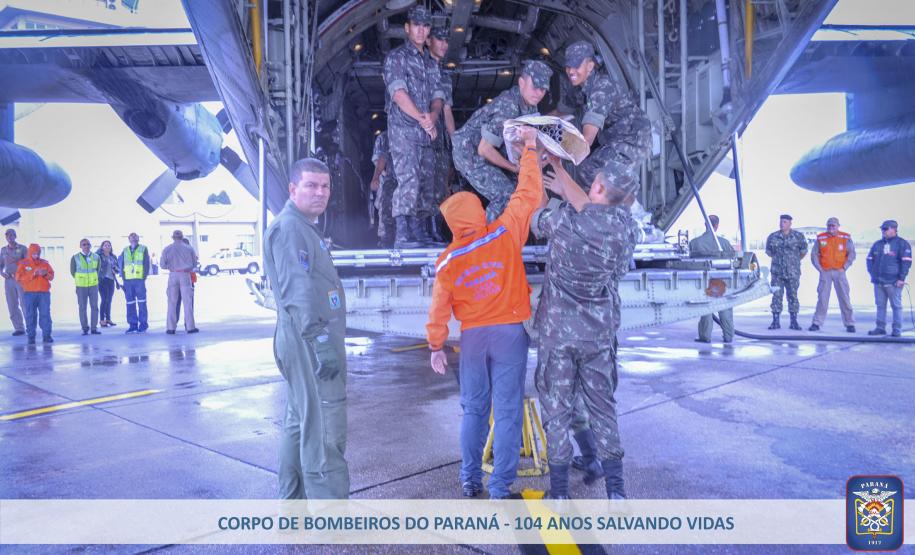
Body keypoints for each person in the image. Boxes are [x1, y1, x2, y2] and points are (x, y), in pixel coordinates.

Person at [426, 126, 543, 499]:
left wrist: (435, 346)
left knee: (473, 411)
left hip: (473, 338)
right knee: (506, 412)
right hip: (510, 335)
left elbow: (439, 308)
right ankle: (499, 486)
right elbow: (529, 194)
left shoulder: (447, 261)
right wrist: (528, 150)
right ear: (477, 212)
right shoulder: (504, 233)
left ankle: (469, 478)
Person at [531, 155, 640, 500]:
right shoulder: (626, 230)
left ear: (597, 187)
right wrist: (562, 174)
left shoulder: (564, 221)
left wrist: (538, 171)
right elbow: (597, 211)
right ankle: (617, 493)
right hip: (597, 335)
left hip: (558, 335)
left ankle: (560, 494)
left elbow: (536, 216)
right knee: (603, 410)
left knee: (558, 411)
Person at [264, 157, 349, 499]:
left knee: (299, 422)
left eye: (325, 186)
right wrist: (320, 340)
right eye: (311, 185)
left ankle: (294, 502)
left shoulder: (302, 228)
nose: (320, 192)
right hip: (307, 339)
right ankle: (330, 515)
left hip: (303, 337)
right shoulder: (290, 229)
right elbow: (297, 291)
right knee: (325, 424)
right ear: (292, 189)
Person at [452, 60, 552, 223]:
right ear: (521, 82)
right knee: (505, 195)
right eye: (535, 87)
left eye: (543, 89)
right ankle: (488, 241)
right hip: (470, 154)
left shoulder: (530, 106)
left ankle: (509, 237)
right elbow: (484, 149)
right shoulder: (509, 106)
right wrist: (514, 168)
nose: (539, 93)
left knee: (521, 192)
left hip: (494, 153)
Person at [383, 5, 446, 247]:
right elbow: (398, 94)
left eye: (425, 26)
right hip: (405, 131)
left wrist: (433, 114)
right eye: (416, 25)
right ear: (407, 28)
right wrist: (423, 119)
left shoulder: (431, 63)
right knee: (408, 179)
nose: (421, 30)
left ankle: (420, 233)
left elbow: (438, 95)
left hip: (426, 132)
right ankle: (402, 235)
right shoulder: (397, 58)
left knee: (427, 183)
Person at [555, 40, 652, 191]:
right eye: (568, 66)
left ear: (590, 66)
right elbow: (564, 112)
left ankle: (595, 212)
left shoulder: (602, 89)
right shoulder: (583, 86)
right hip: (613, 138)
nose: (571, 71)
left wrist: (553, 154)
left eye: (576, 66)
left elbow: (585, 142)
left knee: (589, 172)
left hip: (632, 141)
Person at [428, 25, 457, 239]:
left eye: (446, 41)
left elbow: (447, 110)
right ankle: (418, 232)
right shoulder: (416, 66)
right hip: (419, 137)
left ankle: (434, 230)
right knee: (420, 185)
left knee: (439, 187)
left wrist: (454, 139)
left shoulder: (444, 76)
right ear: (429, 40)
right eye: (439, 39)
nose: (444, 45)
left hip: (439, 143)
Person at [689, 215, 736, 343]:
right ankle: (728, 336)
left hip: (704, 280)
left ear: (705, 224)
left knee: (706, 308)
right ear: (717, 226)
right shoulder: (725, 243)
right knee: (725, 307)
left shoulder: (694, 242)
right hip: (722, 280)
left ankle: (705, 336)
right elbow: (734, 259)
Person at [866, 220, 911, 337]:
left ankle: (897, 329)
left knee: (896, 306)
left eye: (885, 229)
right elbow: (869, 259)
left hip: (893, 282)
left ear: (893, 229)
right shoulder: (878, 244)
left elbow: (906, 263)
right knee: (880, 305)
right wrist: (873, 273)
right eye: (882, 229)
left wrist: (901, 278)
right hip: (878, 282)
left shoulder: (902, 244)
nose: (883, 231)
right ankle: (880, 327)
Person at [810, 217, 855, 332]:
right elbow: (814, 254)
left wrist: (845, 267)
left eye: (833, 226)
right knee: (822, 299)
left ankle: (849, 323)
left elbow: (851, 254)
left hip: (840, 272)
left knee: (844, 298)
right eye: (829, 225)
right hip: (825, 272)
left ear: (838, 226)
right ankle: (817, 323)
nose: (831, 228)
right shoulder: (821, 238)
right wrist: (819, 268)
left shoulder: (845, 237)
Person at [764, 214, 808, 330]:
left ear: (790, 223)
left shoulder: (798, 236)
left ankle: (794, 322)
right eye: (781, 221)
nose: (781, 224)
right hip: (777, 273)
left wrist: (793, 261)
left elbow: (803, 252)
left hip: (793, 273)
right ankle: (775, 321)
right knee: (776, 296)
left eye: (784, 222)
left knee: (793, 296)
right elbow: (769, 252)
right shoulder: (773, 236)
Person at [160, 230, 198, 334]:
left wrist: (171, 267)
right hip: (185, 275)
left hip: (173, 275)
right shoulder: (189, 248)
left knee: (172, 302)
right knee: (187, 303)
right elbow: (194, 264)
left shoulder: (167, 249)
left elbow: (162, 265)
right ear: (182, 237)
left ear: (172, 237)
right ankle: (190, 327)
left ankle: (171, 328)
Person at [15, 243, 54, 344]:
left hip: (44, 294)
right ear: (30, 253)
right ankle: (31, 337)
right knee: (30, 315)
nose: (36, 255)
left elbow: (51, 277)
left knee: (45, 315)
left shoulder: (45, 263)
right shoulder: (23, 264)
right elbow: (18, 278)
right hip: (29, 294)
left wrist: (45, 274)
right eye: (34, 253)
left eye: (38, 253)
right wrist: (33, 274)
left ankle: (47, 336)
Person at [370, 130, 397, 247]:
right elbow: (378, 159)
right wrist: (388, 177)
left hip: (407, 181)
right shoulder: (384, 137)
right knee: (386, 210)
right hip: (388, 179)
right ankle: (386, 239)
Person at [120, 232, 151, 334]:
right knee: (130, 303)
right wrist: (124, 279)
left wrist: (143, 277)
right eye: (131, 236)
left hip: (139, 280)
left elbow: (146, 263)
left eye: (135, 236)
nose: (133, 237)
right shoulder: (125, 250)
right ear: (128, 239)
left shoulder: (143, 248)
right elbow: (122, 264)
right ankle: (132, 325)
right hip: (128, 281)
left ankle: (143, 325)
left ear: (138, 238)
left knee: (142, 303)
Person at [71, 238, 101, 335]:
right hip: (81, 286)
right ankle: (85, 328)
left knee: (94, 307)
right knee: (82, 307)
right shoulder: (75, 257)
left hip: (93, 285)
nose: (86, 246)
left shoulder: (96, 257)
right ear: (80, 246)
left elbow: (98, 269)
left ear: (90, 246)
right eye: (84, 244)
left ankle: (94, 328)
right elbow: (73, 271)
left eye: (88, 244)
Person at [2, 228, 28, 336]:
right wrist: (1, 273)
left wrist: (16, 261)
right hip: (9, 280)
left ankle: (30, 326)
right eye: (8, 236)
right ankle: (19, 328)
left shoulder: (22, 248)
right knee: (12, 304)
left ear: (15, 236)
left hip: (21, 279)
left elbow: (28, 263)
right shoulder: (3, 250)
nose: (10, 237)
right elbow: (0, 264)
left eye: (12, 235)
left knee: (24, 304)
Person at [97, 240, 120, 328]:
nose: (107, 247)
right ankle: (102, 320)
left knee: (109, 300)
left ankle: (108, 319)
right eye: (105, 245)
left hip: (111, 280)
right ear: (102, 247)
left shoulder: (113, 256)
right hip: (102, 280)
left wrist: (115, 269)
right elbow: (97, 267)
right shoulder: (98, 256)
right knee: (104, 300)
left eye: (109, 245)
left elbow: (118, 268)